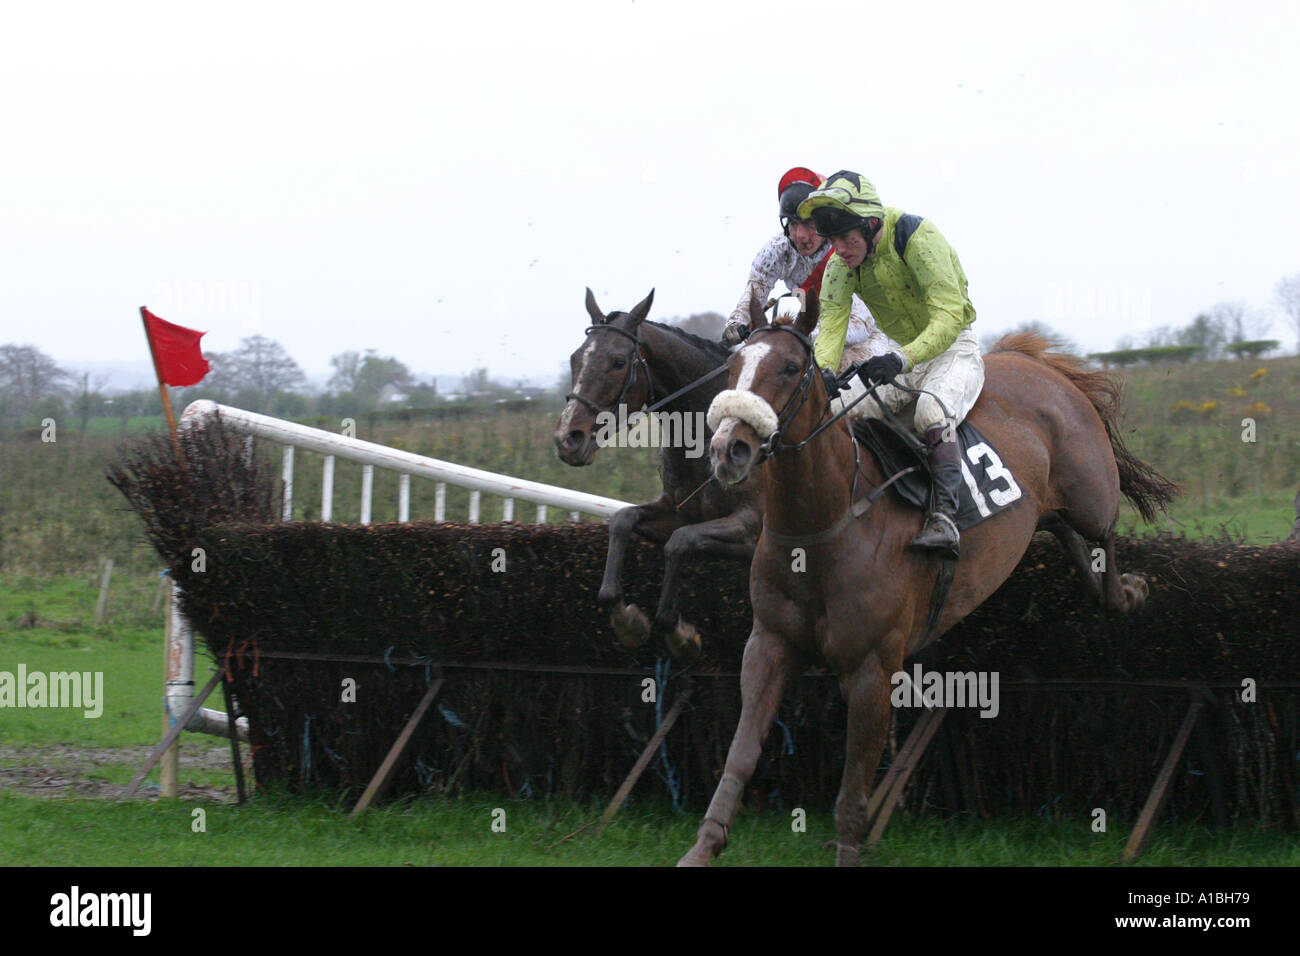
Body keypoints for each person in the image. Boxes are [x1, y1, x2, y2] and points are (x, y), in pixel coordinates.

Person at [797, 169, 982, 559]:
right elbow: (831, 325)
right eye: (832, 240)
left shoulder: (917, 237)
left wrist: (899, 358)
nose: (840, 249)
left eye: (847, 238)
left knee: (930, 411)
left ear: (872, 224)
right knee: (831, 409)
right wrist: (824, 375)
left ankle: (945, 518)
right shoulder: (840, 266)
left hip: (953, 348)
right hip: (903, 354)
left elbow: (949, 316)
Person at [723, 168, 893, 370]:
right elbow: (753, 295)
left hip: (870, 338)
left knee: (835, 372)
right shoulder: (777, 250)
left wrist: (797, 335)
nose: (801, 235)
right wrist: (735, 325)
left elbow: (860, 324)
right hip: (813, 338)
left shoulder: (846, 248)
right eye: (793, 224)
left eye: (809, 224)